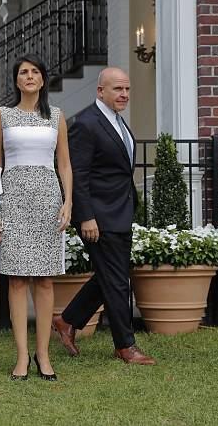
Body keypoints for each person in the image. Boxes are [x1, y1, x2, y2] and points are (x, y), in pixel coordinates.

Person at [52, 67, 156, 365]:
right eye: (117, 89)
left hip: (119, 213)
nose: (124, 94)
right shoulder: (86, 124)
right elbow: (78, 174)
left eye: (127, 89)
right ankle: (126, 346)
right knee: (117, 279)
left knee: (112, 275)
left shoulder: (118, 122)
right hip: (98, 218)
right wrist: (85, 216)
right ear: (100, 91)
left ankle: (67, 320)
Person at [0, 54, 72, 381]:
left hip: (48, 198)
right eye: (23, 72)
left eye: (35, 71)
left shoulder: (56, 116)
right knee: (17, 278)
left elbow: (64, 163)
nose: (29, 76)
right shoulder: (3, 116)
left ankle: (44, 355)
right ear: (16, 80)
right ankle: (22, 357)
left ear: (42, 78)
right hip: (12, 198)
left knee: (46, 278)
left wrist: (68, 203)